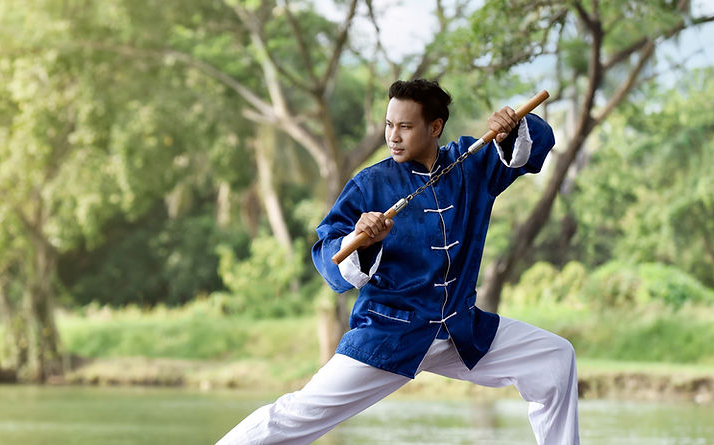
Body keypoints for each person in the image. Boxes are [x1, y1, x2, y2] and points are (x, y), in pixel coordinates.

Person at [215, 79, 579, 445]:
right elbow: (330, 260)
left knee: (555, 358)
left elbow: (538, 145)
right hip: (389, 333)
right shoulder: (368, 185)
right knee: (297, 415)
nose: (394, 136)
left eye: (405, 126)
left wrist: (510, 128)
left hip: (460, 329)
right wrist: (361, 240)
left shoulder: (472, 162)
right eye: (389, 125)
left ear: (435, 127)